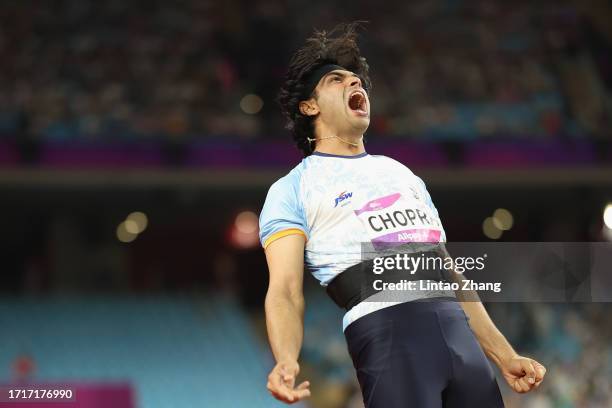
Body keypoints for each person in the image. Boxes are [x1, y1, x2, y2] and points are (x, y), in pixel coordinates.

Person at [259, 22, 546, 407]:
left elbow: (450, 272)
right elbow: (285, 291)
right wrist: (286, 360)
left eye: (357, 79)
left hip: (457, 334)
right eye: (336, 79)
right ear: (309, 106)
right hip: (387, 333)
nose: (354, 84)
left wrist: (503, 354)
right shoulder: (291, 189)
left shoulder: (402, 173)